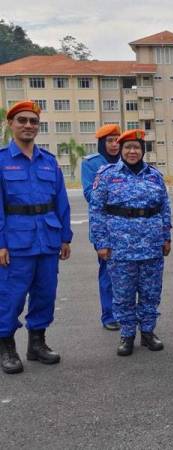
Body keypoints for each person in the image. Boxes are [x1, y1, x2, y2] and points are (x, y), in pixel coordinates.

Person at [0, 100, 72, 374]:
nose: (28, 125)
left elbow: (61, 201)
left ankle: (37, 343)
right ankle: (7, 346)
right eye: (22, 120)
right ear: (11, 124)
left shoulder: (49, 162)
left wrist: (65, 236)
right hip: (16, 241)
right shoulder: (2, 161)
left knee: (45, 293)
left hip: (48, 238)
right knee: (10, 296)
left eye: (33, 121)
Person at [89, 129, 172, 357]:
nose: (132, 151)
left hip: (152, 244)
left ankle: (147, 332)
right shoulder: (106, 174)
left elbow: (164, 208)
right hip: (120, 246)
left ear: (142, 151)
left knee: (151, 292)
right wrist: (102, 243)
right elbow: (96, 211)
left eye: (136, 147)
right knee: (123, 293)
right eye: (127, 148)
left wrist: (166, 237)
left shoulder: (155, 176)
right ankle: (127, 335)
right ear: (121, 150)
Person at [81, 124, 122, 331]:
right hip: (104, 228)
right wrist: (124, 195)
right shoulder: (91, 164)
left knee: (130, 273)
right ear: (101, 143)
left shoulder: (128, 160)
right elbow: (91, 194)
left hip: (129, 228)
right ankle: (109, 315)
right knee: (108, 272)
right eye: (109, 140)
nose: (115, 144)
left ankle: (126, 313)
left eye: (117, 139)